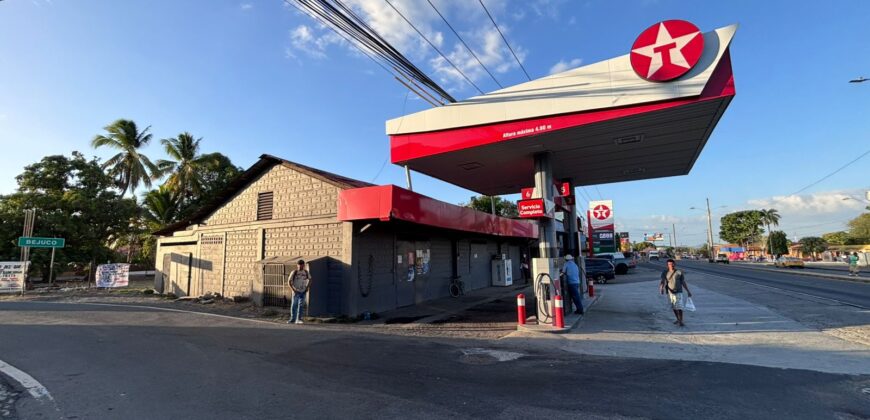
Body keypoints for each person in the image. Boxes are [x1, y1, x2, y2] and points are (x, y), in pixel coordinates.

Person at [659, 258, 692, 327]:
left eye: (672, 264)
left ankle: (681, 320)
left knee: (679, 306)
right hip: (670, 292)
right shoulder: (665, 272)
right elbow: (663, 281)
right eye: (669, 264)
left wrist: (688, 291)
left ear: (675, 264)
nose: (671, 265)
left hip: (678, 291)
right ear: (667, 265)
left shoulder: (679, 272)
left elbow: (683, 282)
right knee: (673, 307)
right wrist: (661, 288)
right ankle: (678, 319)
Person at [287, 259, 311, 324]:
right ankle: (292, 319)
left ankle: (299, 319)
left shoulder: (306, 272)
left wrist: (307, 287)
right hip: (296, 292)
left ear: (304, 265)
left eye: (302, 266)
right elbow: (289, 282)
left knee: (301, 305)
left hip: (303, 291)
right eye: (299, 266)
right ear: (297, 265)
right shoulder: (294, 272)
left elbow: (310, 279)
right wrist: (293, 289)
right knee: (294, 305)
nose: (301, 267)